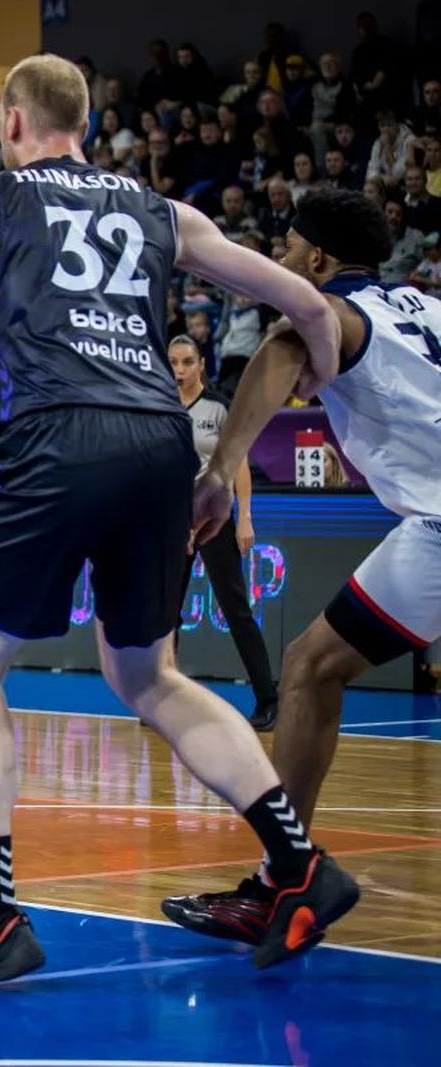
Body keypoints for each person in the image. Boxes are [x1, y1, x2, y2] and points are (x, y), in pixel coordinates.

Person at [0, 54, 353, 985]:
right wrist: (243, 448)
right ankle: (301, 864)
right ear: (87, 123)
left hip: (55, 431)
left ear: (13, 122)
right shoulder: (161, 210)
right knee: (148, 672)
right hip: (159, 441)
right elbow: (307, 301)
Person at [163, 188, 441, 946]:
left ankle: (281, 878)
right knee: (310, 666)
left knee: (309, 669)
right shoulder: (422, 306)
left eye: (287, 247)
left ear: (315, 257)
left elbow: (285, 346)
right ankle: (283, 874)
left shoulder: (337, 314)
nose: (283, 260)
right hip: (430, 526)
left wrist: (219, 472)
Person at [167, 335, 277, 726]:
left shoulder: (216, 408)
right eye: (174, 363)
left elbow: (239, 462)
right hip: (175, 520)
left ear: (201, 364)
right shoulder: (162, 407)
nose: (179, 370)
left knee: (235, 608)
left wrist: (244, 516)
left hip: (214, 515)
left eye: (186, 362)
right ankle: (166, 698)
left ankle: (268, 698)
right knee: (166, 612)